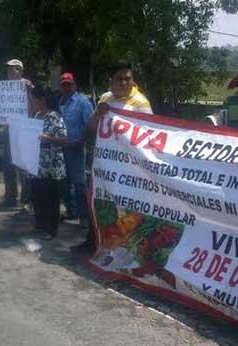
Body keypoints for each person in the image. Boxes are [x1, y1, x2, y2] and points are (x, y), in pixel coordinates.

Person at [73, 62, 153, 253]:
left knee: (126, 210)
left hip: (129, 168)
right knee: (99, 202)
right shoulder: (106, 99)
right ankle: (93, 241)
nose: (125, 83)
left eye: (128, 79)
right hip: (104, 164)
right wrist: (98, 114)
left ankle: (126, 249)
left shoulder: (141, 103)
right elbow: (91, 130)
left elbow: (150, 138)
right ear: (111, 81)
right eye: (120, 79)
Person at [29, 83, 68, 240]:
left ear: (42, 99)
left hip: (52, 164)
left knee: (51, 198)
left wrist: (47, 138)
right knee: (38, 195)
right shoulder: (36, 116)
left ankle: (51, 230)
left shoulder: (54, 116)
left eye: (34, 99)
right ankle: (40, 225)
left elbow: (64, 140)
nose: (32, 102)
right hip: (37, 164)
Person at [58, 72, 93, 222]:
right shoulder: (58, 102)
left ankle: (85, 217)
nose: (66, 87)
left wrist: (78, 142)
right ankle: (71, 210)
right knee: (64, 182)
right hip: (60, 149)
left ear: (74, 85)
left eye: (69, 84)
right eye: (63, 84)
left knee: (80, 183)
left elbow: (90, 127)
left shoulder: (83, 102)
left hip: (76, 149)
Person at [2, 59, 34, 208]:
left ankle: (26, 201)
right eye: (8, 69)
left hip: (24, 131)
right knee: (8, 166)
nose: (10, 72)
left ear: (20, 70)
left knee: (23, 167)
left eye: (13, 69)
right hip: (9, 130)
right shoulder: (3, 87)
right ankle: (10, 198)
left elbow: (35, 105)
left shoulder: (27, 86)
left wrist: (29, 89)